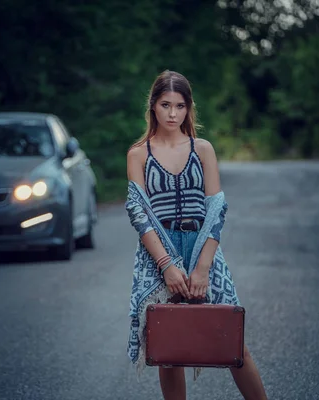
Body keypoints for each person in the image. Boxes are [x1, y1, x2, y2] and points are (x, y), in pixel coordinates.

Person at [124, 70, 268, 400]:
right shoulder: (138, 154)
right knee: (168, 349)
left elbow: (216, 210)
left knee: (234, 342)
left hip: (203, 248)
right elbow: (140, 215)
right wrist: (167, 266)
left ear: (189, 108)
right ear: (153, 107)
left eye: (180, 106)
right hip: (159, 252)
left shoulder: (202, 149)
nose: (172, 114)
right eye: (165, 105)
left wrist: (202, 268)